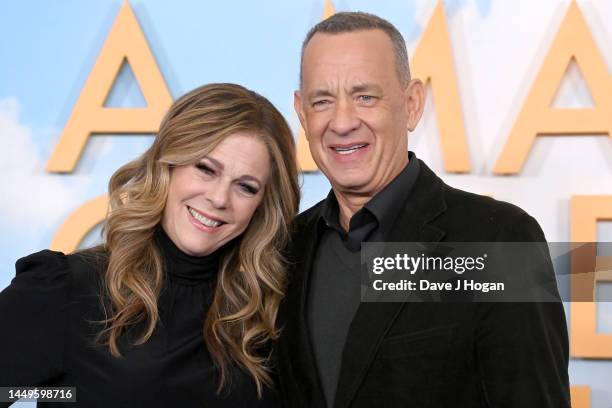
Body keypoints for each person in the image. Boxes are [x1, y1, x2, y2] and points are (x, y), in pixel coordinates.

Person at [276, 12, 570, 408]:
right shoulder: (282, 249)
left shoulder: (497, 239)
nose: (342, 122)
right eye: (322, 101)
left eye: (365, 96)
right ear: (302, 113)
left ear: (412, 104)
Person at [0, 83, 300, 407]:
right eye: (205, 169)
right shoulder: (69, 288)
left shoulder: (262, 312)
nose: (219, 198)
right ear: (167, 163)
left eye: (245, 187)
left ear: (262, 205)